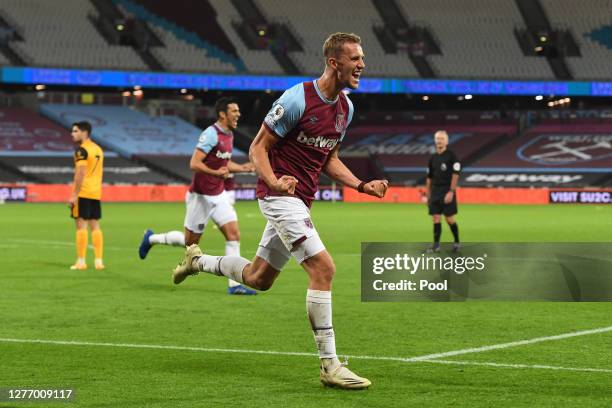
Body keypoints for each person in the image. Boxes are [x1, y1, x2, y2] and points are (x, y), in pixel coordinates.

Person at [172, 32, 388, 389]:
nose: (362, 65)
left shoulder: (345, 109)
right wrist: (273, 182)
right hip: (278, 195)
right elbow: (258, 148)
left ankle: (197, 261)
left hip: (300, 198)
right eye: (355, 59)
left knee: (259, 279)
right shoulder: (296, 99)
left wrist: (361, 185)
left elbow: (328, 158)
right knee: (323, 268)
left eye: (362, 58)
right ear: (334, 62)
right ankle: (329, 365)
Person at [138, 97, 257, 295]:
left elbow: (223, 163)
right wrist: (216, 173)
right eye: (234, 111)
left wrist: (242, 168)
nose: (238, 114)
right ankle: (151, 239)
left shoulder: (228, 135)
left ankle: (234, 285)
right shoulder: (211, 134)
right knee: (190, 244)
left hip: (218, 195)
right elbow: (194, 163)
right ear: (222, 114)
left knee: (233, 235)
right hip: (200, 196)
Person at [69, 121, 104, 270]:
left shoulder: (81, 150)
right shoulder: (98, 149)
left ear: (84, 132)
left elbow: (81, 172)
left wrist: (74, 195)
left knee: (81, 226)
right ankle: (98, 261)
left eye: (75, 131)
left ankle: (81, 261)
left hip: (83, 192)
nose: (72, 134)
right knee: (95, 226)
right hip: (95, 192)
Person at [425, 130, 461, 252]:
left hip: (447, 191)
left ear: (446, 141)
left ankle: (456, 241)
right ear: (435, 141)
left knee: (449, 219)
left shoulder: (451, 156)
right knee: (435, 218)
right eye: (438, 139)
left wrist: (451, 191)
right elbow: (429, 178)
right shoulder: (432, 158)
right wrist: (428, 195)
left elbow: (455, 174)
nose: (440, 141)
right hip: (435, 192)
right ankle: (436, 245)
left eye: (442, 139)